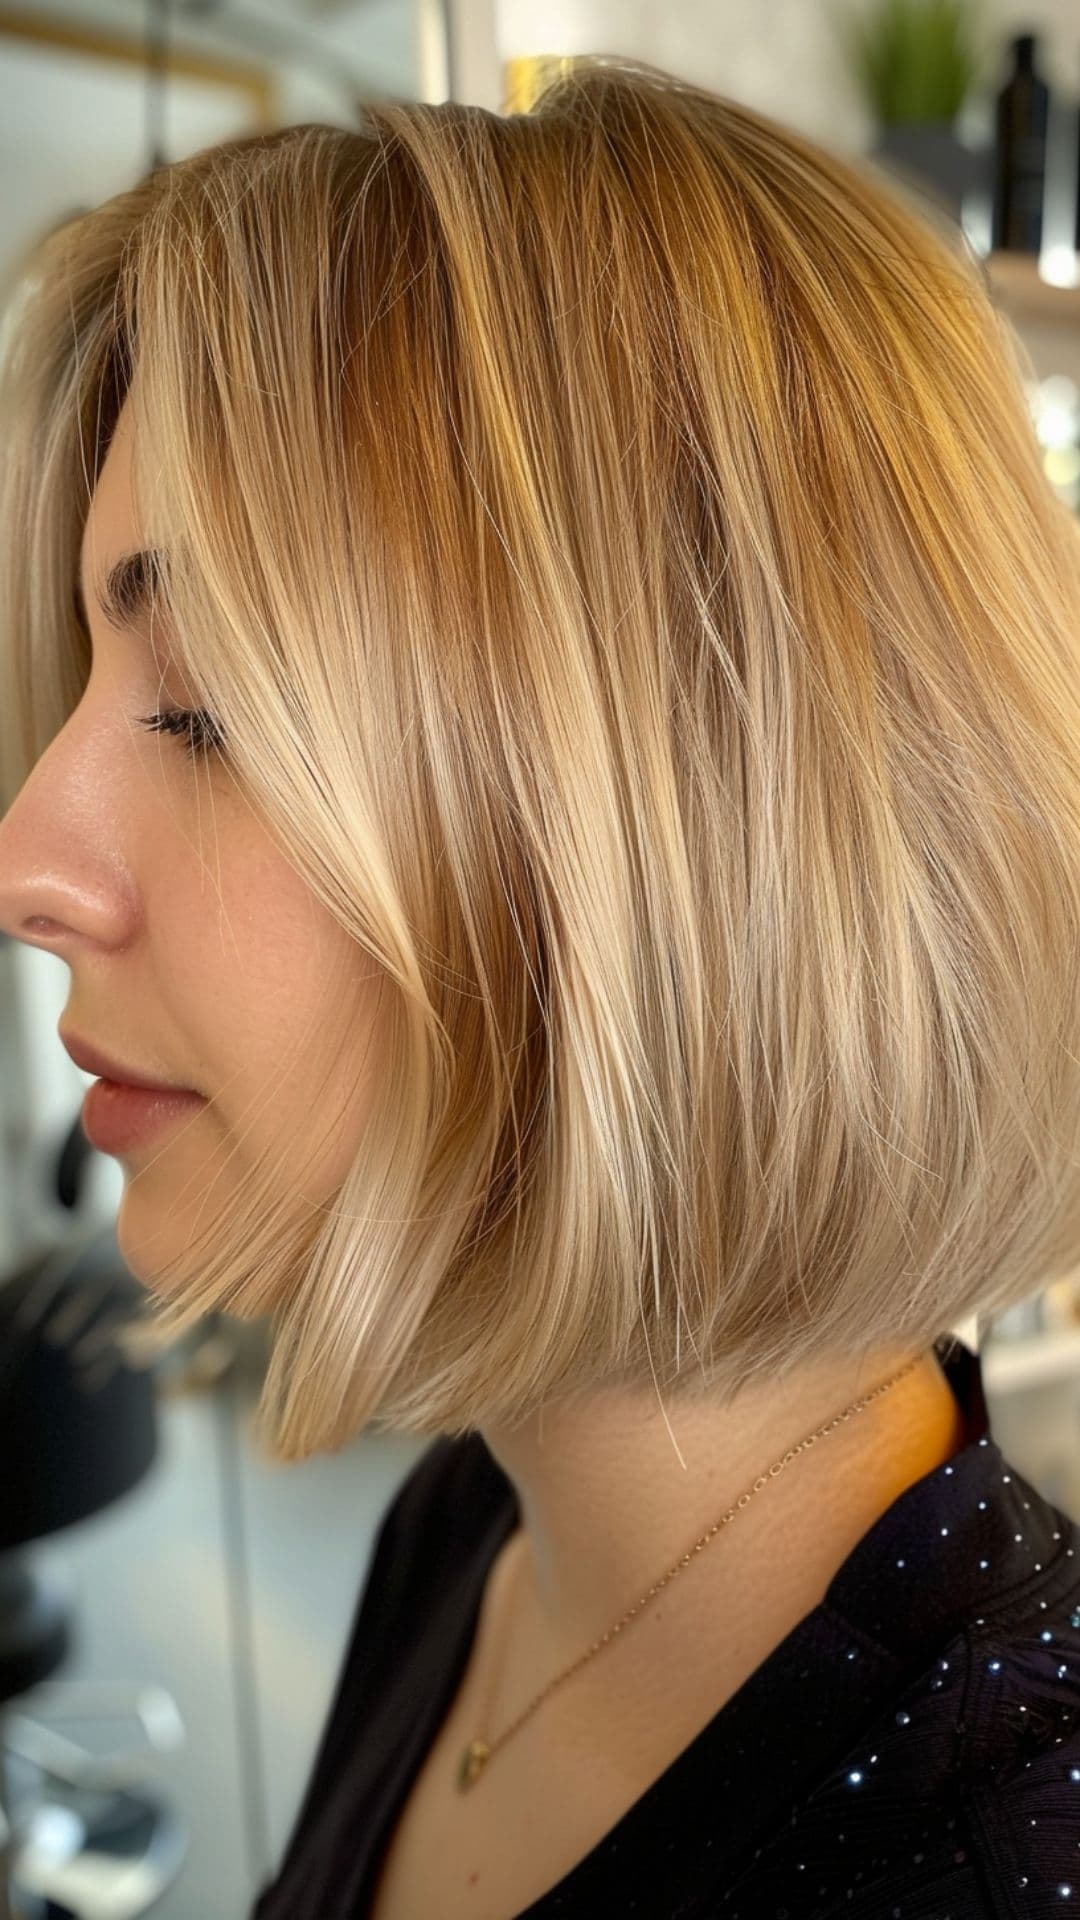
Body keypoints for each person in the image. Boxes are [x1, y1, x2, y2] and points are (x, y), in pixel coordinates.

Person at [0, 52, 1079, 1920]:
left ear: (698, 828)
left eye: (213, 709)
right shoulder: (485, 1515)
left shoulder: (990, 1864)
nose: (31, 860)